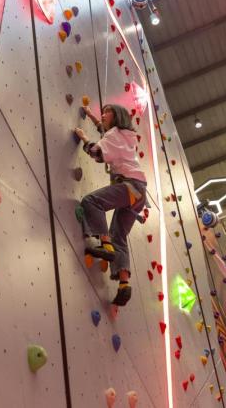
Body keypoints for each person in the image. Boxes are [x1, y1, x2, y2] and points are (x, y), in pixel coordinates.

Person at [74, 104, 147, 307]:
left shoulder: (114, 134)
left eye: (107, 112)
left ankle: (106, 246)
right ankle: (124, 284)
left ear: (117, 116)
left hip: (129, 187)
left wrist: (83, 138)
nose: (103, 115)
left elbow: (99, 153)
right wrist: (91, 116)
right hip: (139, 193)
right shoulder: (126, 135)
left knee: (91, 201)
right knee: (120, 236)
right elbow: (106, 132)